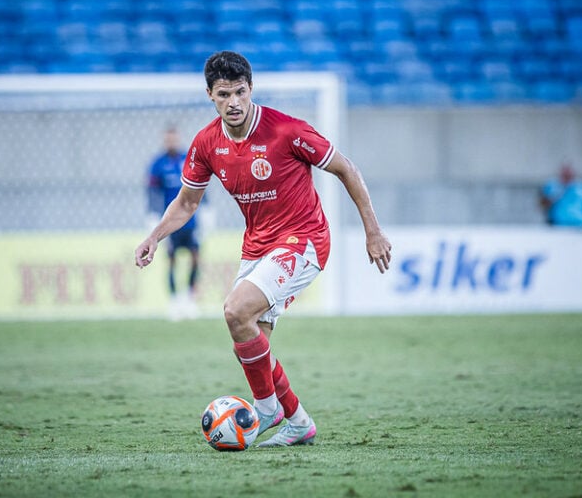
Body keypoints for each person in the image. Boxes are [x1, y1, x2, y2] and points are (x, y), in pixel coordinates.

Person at [135, 51, 392, 447]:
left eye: (240, 92)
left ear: (250, 89)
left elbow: (346, 169)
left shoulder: (286, 131)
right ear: (210, 95)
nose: (234, 102)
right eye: (224, 94)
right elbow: (187, 202)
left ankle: (267, 408)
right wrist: (154, 236)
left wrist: (372, 231)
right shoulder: (207, 143)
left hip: (303, 239)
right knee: (250, 342)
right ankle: (299, 422)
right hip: (258, 244)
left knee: (236, 310)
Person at [146, 127, 201, 314]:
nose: (171, 142)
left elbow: (200, 186)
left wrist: (207, 209)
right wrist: (153, 215)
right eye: (168, 139)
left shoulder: (188, 159)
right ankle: (174, 300)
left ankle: (190, 298)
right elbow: (153, 192)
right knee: (171, 260)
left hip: (191, 221)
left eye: (174, 138)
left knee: (195, 258)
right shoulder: (157, 164)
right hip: (169, 222)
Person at [539, 162, 582, 228]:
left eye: (569, 174)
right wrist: (552, 198)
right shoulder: (551, 187)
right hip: (558, 226)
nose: (567, 176)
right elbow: (542, 204)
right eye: (565, 174)